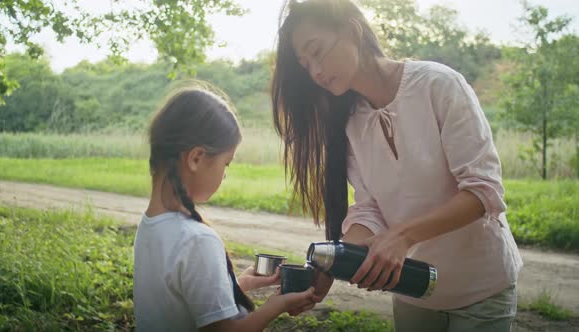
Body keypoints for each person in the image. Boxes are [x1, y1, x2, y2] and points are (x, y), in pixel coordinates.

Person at [271, 0, 523, 330]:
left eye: (316, 51)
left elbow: (483, 192)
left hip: (481, 290)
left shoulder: (439, 85)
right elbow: (368, 207)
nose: (315, 71)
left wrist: (401, 237)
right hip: (412, 290)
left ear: (352, 30)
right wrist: (337, 260)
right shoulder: (349, 123)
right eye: (306, 65)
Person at [133, 86, 315, 331]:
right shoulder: (196, 240)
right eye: (225, 164)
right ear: (196, 158)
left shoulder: (150, 225)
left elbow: (182, 301)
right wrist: (276, 305)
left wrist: (238, 285)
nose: (225, 175)